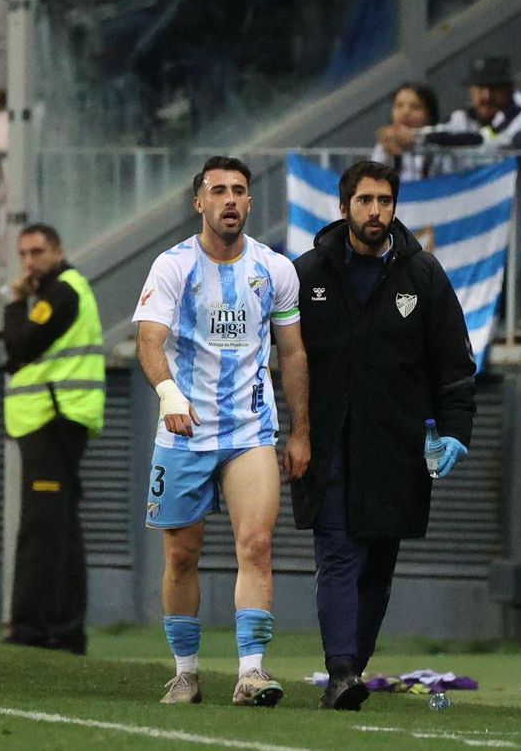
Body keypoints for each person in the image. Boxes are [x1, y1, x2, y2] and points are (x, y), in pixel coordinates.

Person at [290, 160, 475, 711]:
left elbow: (454, 365)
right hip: (330, 445)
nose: (376, 211)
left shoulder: (423, 276)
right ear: (343, 206)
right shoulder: (307, 274)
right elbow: (279, 355)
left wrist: (456, 432)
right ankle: (342, 670)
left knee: (377, 563)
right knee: (339, 554)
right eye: (366, 200)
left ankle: (354, 666)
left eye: (386, 201)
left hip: (396, 446)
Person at [131, 155, 310, 707]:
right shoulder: (172, 266)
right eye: (219, 190)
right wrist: (170, 397)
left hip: (250, 431)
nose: (230, 199)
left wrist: (301, 430)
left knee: (255, 545)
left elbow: (293, 350)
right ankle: (185, 673)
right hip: (185, 431)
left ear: (250, 202)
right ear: (199, 202)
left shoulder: (275, 269)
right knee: (181, 555)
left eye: (239, 190)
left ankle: (251, 672)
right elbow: (149, 341)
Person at [1, 223, 105, 655]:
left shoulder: (62, 291)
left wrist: (14, 304)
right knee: (56, 525)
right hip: (54, 417)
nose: (29, 262)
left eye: (37, 252)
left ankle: (39, 628)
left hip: (55, 416)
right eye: (23, 254)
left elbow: (20, 345)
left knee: (45, 527)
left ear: (58, 251)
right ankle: (59, 629)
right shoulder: (59, 290)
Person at [371, 81, 442, 181]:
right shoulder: (385, 144)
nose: (405, 113)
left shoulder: (440, 144)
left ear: (429, 115)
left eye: (415, 107)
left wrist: (416, 140)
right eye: (399, 105)